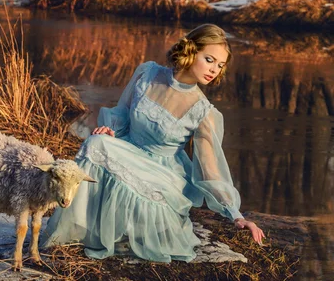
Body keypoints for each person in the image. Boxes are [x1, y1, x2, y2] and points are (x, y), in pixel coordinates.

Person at [40, 24, 265, 262]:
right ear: (190, 50)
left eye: (220, 65)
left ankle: (120, 229)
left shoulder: (203, 112)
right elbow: (123, 116)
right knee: (96, 142)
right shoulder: (147, 73)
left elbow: (210, 170)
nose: (214, 70)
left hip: (163, 173)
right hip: (128, 148)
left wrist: (236, 215)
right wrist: (110, 131)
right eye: (209, 59)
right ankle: (80, 226)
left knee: (99, 146)